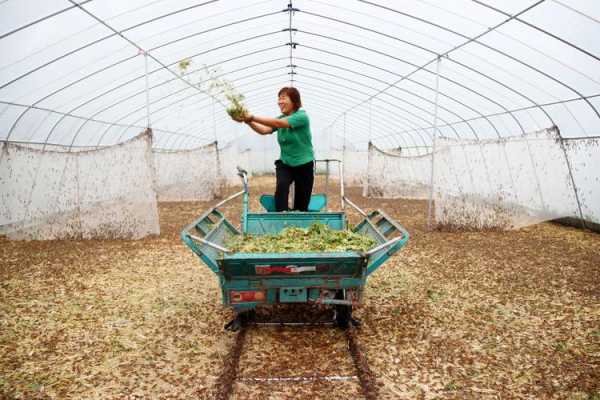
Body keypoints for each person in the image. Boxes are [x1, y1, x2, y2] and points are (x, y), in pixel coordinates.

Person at [231, 87, 315, 212]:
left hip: (304, 164)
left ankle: (298, 220)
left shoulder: (302, 117)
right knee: (282, 186)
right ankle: (281, 216)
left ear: (294, 101)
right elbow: (264, 130)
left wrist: (252, 117)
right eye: (279, 98)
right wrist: (248, 121)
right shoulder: (280, 118)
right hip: (286, 162)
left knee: (301, 205)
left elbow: (278, 124)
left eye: (283, 98)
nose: (280, 102)